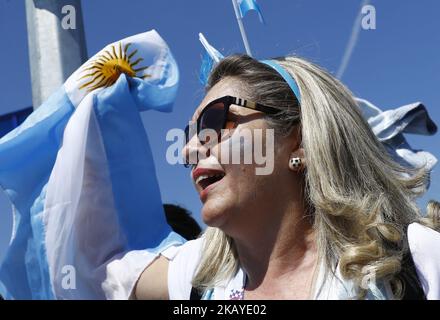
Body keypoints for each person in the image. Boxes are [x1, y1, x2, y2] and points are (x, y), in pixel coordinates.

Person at [134, 55, 440, 300]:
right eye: (189, 134)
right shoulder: (196, 279)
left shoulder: (417, 261)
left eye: (213, 120)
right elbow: (104, 267)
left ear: (299, 141)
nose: (187, 150)